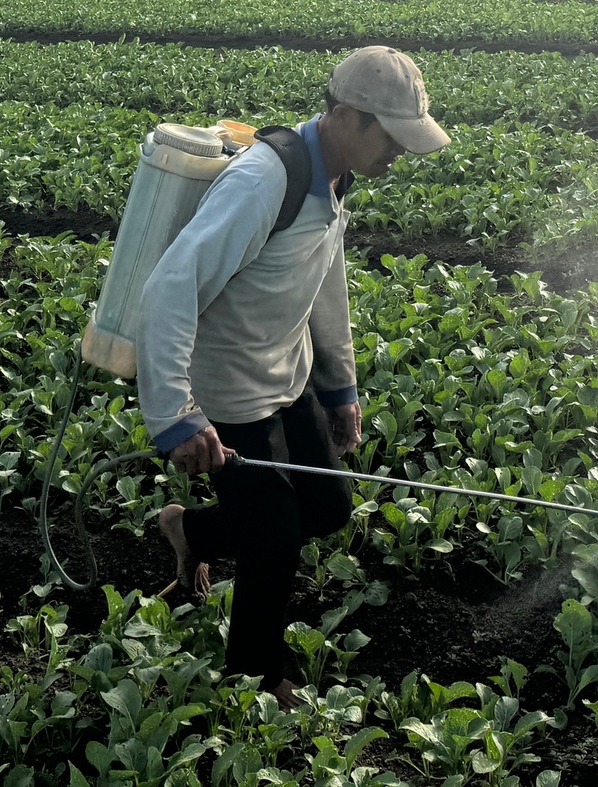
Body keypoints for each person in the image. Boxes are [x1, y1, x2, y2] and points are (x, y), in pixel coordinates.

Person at [136, 46, 451, 703]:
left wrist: (340, 389)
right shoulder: (263, 183)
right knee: (274, 536)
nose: (398, 152)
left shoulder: (334, 176)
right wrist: (174, 414)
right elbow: (170, 286)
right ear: (345, 115)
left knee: (329, 507)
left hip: (285, 376)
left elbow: (323, 283)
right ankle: (255, 676)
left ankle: (189, 531)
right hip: (226, 393)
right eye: (390, 136)